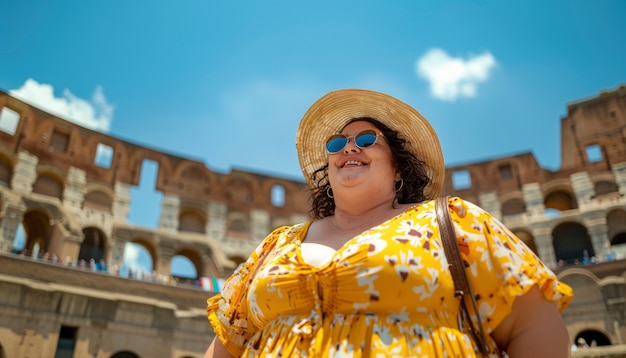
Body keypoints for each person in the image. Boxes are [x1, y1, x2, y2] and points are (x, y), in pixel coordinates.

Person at [205, 89, 574, 357]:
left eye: (366, 139)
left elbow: (533, 326)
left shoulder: (454, 223)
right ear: (328, 169)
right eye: (337, 144)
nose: (349, 148)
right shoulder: (276, 244)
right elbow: (227, 345)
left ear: (399, 166)